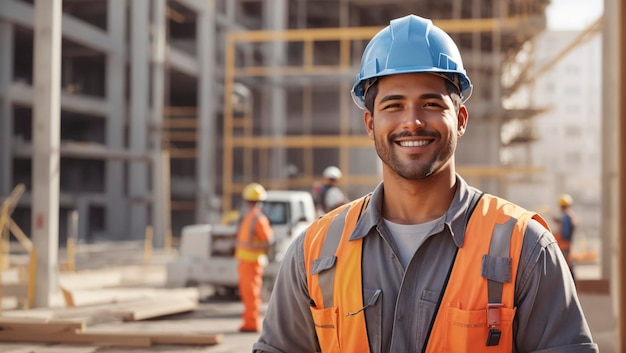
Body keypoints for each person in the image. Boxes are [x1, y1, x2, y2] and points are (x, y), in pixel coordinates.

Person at [253, 14, 597, 352]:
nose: (413, 121)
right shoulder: (315, 251)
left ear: (460, 119)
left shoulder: (525, 248)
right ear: (370, 124)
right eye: (394, 105)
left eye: (431, 103)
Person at [235, 182, 274, 333]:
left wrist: (259, 250)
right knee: (248, 293)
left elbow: (268, 241)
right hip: (246, 261)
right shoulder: (252, 217)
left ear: (246, 201)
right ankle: (248, 322)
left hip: (252, 262)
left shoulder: (257, 218)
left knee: (251, 293)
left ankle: (252, 324)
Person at [554, 193, 578, 280]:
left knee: (565, 265)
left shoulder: (566, 217)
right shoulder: (569, 215)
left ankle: (570, 283)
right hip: (567, 244)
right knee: (567, 264)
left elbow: (565, 233)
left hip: (564, 244)